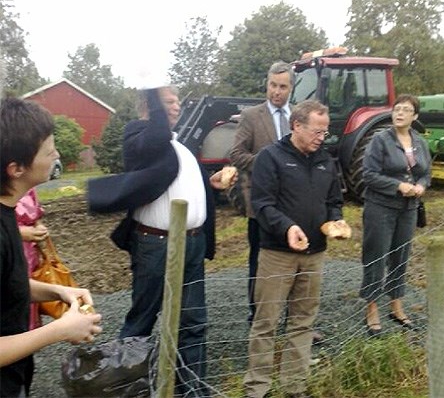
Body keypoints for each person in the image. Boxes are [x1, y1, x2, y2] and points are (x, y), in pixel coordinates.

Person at [88, 84, 234, 397]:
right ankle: (125, 389)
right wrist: (154, 96)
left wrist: (208, 184)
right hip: (156, 245)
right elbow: (153, 143)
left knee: (193, 322)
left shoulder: (177, 143)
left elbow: (172, 181)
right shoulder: (138, 135)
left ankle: (193, 390)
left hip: (191, 243)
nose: (177, 106)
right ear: (149, 105)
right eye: (168, 101)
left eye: (177, 100)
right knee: (141, 322)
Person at [243, 100, 347, 398]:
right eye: (316, 130)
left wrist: (336, 221)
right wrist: (287, 227)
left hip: (315, 254)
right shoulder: (270, 158)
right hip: (277, 255)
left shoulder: (326, 159)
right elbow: (262, 204)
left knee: (303, 321)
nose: (321, 137)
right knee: (266, 323)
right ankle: (257, 389)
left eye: (325, 131)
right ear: (296, 126)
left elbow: (334, 201)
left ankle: (294, 387)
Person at [0, 97, 102, 397]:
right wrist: (59, 330)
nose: (56, 153)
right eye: (48, 150)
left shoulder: (8, 210)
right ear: (16, 168)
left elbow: (8, 284)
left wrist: (58, 291)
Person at [360, 94, 431, 336]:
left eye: (406, 110)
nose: (399, 113)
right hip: (380, 208)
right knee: (376, 258)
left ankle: (396, 307)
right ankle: (371, 310)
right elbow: (368, 174)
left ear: (415, 116)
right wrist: (397, 186)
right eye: (397, 109)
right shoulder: (380, 140)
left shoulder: (420, 142)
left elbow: (426, 173)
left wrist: (421, 185)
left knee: (400, 258)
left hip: (408, 210)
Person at [230, 60, 294, 326]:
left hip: (293, 202)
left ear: (291, 88)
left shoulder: (300, 116)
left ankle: (294, 319)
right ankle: (257, 317)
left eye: (282, 87)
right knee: (260, 261)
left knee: (294, 261)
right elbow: (236, 154)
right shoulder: (252, 116)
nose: (276, 92)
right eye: (272, 85)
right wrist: (268, 163)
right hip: (262, 203)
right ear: (266, 84)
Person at [16, 188, 49, 330]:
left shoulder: (27, 185)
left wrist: (39, 227)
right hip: (9, 248)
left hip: (29, 252)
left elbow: (36, 214)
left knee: (28, 294)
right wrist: (17, 232)